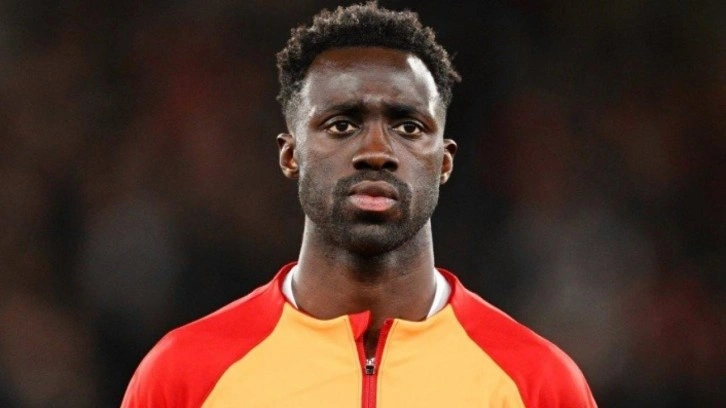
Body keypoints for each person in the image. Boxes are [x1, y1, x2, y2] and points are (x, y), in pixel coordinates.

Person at [121, 3, 597, 407]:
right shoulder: (185, 376)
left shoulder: (537, 384)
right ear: (290, 155)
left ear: (444, 161)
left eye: (408, 126)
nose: (376, 151)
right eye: (342, 125)